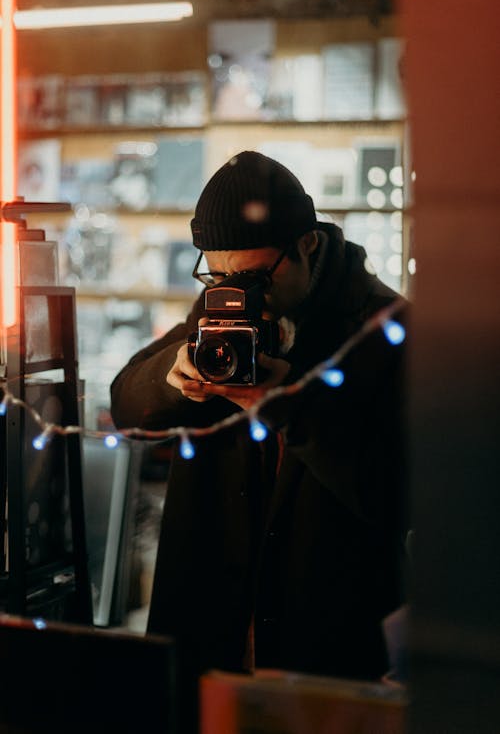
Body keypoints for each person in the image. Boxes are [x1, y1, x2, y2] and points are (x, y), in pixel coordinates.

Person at [110, 150, 409, 730]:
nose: (236, 295)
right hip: (209, 638)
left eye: (249, 278)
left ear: (308, 246)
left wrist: (291, 407)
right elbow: (127, 409)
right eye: (217, 277)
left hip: (325, 657)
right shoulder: (218, 314)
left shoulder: (384, 329)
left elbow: (396, 495)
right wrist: (176, 380)